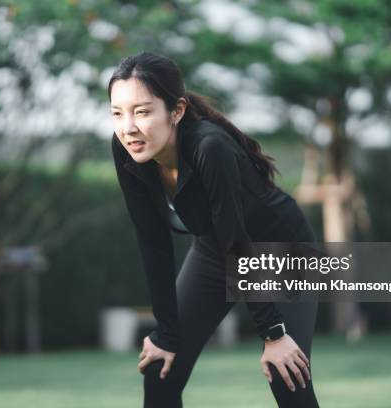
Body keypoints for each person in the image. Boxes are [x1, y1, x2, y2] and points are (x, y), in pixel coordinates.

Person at [108, 51, 319, 408]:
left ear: (176, 111)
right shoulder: (128, 150)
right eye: (117, 113)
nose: (128, 127)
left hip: (283, 253)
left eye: (142, 112)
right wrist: (166, 332)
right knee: (160, 368)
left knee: (288, 375)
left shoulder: (210, 146)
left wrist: (273, 334)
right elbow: (152, 240)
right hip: (215, 250)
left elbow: (236, 241)